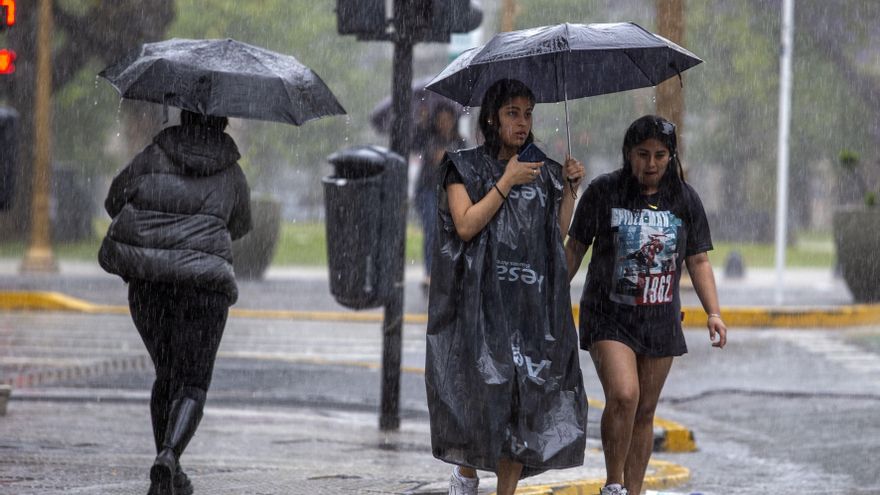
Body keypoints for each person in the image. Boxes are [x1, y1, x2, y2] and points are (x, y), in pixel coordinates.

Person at [425, 78, 588, 495]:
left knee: (522, 404)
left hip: (528, 311)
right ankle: (466, 472)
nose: (522, 122)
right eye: (513, 113)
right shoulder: (462, 167)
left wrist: (569, 192)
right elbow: (465, 226)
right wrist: (507, 181)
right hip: (478, 308)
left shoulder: (544, 171)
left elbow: (554, 236)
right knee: (481, 398)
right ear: (493, 118)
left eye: (528, 113)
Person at [565, 115, 728, 495]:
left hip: (660, 317)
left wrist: (714, 313)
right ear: (628, 153)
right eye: (642, 154)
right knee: (624, 395)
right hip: (608, 315)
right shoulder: (604, 192)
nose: (651, 164)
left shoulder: (685, 199)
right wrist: (552, 295)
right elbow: (575, 248)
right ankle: (614, 484)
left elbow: (699, 260)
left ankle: (633, 490)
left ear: (671, 157)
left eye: (659, 155)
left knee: (644, 411)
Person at [98, 109, 251, 495]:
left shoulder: (151, 156)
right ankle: (169, 456)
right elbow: (241, 225)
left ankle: (168, 468)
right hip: (204, 289)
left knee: (166, 373)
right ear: (223, 123)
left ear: (182, 116)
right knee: (193, 381)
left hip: (150, 285)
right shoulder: (232, 173)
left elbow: (114, 200)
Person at [413, 101, 467, 292]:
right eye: (441, 119)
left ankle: (449, 270)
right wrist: (422, 122)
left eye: (448, 119)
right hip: (428, 190)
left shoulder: (459, 141)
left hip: (451, 190)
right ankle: (429, 273)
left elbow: (464, 164)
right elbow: (414, 144)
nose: (444, 122)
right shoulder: (428, 136)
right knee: (431, 229)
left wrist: (448, 158)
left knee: (451, 231)